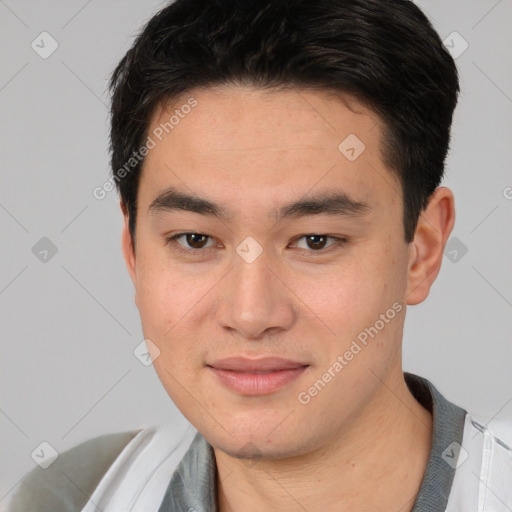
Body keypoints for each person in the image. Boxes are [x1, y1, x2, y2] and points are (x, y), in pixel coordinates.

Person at [8, 0, 512, 511]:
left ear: (421, 252)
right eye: (195, 240)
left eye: (315, 241)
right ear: (134, 254)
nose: (250, 315)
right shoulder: (72, 496)